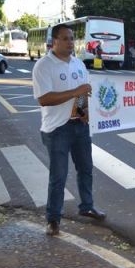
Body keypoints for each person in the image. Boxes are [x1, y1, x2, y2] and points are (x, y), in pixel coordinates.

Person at [32, 23, 106, 236]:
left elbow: (83, 93)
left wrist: (83, 113)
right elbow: (44, 99)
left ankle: (87, 206)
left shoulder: (78, 64)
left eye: (72, 38)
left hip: (79, 125)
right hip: (56, 129)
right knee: (59, 176)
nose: (70, 42)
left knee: (86, 169)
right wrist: (76, 91)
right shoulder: (44, 66)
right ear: (54, 41)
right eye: (65, 38)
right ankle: (53, 219)